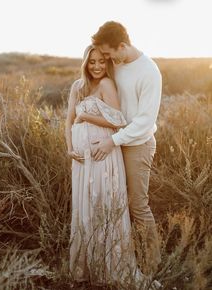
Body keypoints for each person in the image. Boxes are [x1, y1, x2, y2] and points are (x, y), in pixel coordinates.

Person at [65, 45, 161, 289]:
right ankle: (89, 266)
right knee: (86, 207)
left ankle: (148, 265)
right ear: (85, 63)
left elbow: (117, 119)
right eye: (92, 62)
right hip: (82, 158)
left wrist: (85, 117)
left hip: (106, 153)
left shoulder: (108, 83)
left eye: (100, 61)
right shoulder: (78, 86)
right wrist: (69, 148)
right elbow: (68, 120)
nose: (96, 66)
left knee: (120, 203)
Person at [91, 21, 162, 274]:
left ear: (122, 46)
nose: (107, 59)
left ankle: (152, 266)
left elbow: (145, 122)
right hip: (116, 142)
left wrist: (113, 140)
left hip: (137, 145)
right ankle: (121, 258)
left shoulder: (149, 72)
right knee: (116, 201)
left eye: (109, 53)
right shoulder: (117, 64)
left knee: (137, 205)